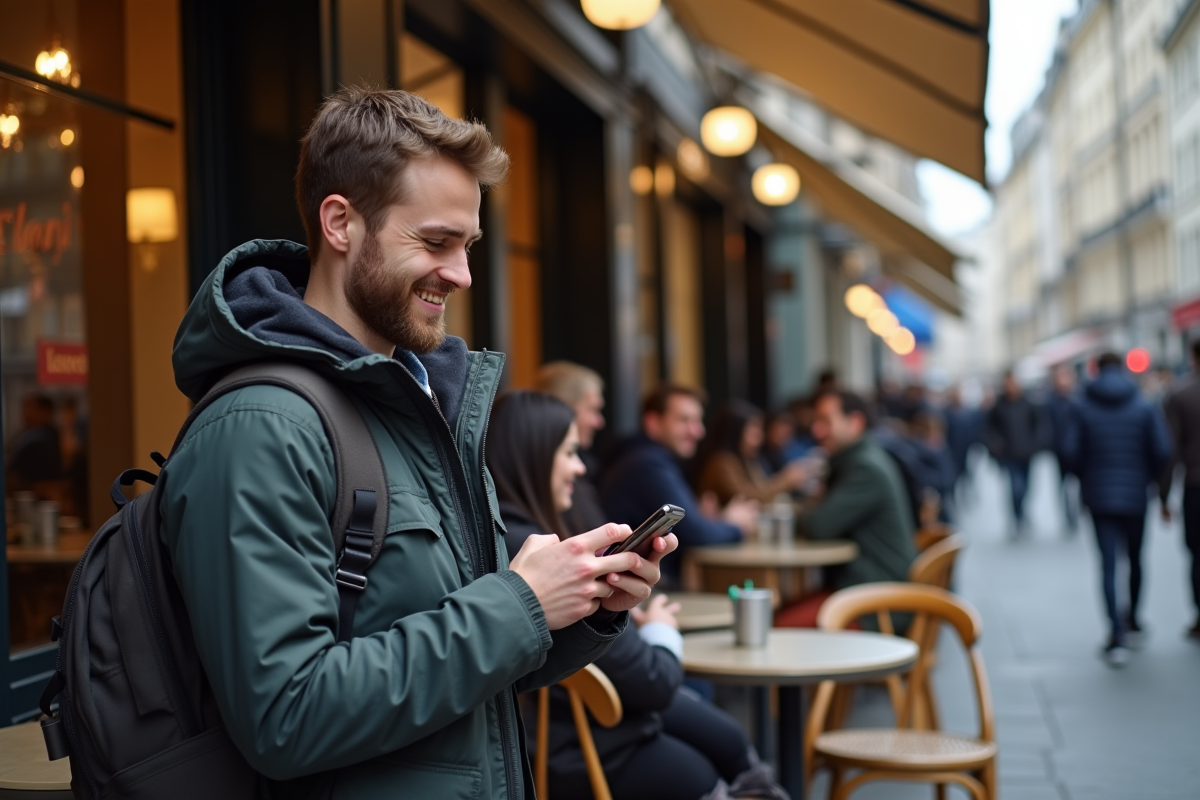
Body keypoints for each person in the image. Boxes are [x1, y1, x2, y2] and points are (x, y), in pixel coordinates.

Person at [157, 87, 675, 799]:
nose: (461, 275)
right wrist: (519, 603)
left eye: (468, 246)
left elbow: (479, 660)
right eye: (435, 242)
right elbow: (285, 716)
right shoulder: (259, 427)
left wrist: (587, 604)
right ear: (340, 222)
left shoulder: (424, 403)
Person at [488, 391, 782, 800]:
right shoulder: (538, 550)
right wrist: (659, 631)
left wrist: (608, 616)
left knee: (722, 739)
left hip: (570, 735)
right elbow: (653, 681)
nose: (581, 466)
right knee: (719, 753)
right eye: (570, 452)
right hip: (578, 746)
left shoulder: (505, 535)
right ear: (533, 456)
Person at [1062, 352, 1171, 667]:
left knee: (1108, 564)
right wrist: (1147, 478)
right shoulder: (1143, 405)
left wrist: (1087, 476)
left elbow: (1069, 452)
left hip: (1099, 496)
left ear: (1095, 369)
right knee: (1136, 559)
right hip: (1136, 494)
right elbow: (1162, 450)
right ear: (1122, 368)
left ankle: (1115, 633)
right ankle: (1133, 618)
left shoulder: (1082, 406)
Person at [775, 390, 917, 628]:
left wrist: (799, 509)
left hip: (878, 603)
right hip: (868, 589)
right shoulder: (859, 459)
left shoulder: (865, 468)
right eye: (816, 421)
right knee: (777, 612)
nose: (816, 430)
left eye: (826, 422)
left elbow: (818, 525)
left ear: (855, 423)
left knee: (779, 626)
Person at [600, 385, 758, 585]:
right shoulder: (648, 464)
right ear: (653, 423)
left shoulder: (646, 458)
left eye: (698, 421)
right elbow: (695, 534)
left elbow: (690, 527)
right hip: (637, 594)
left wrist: (708, 521)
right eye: (684, 420)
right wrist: (734, 525)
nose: (698, 431)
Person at [535, 360, 608, 532]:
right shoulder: (549, 482)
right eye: (592, 410)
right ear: (563, 408)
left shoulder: (583, 473)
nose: (599, 422)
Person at [1160, 339, 1200, 640]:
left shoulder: (1179, 395)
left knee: (1197, 553)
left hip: (1195, 485)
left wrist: (1163, 496)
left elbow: (1170, 450)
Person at [694, 400, 806, 504]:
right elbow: (749, 497)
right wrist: (785, 480)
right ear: (736, 433)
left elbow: (762, 488)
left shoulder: (746, 457)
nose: (760, 438)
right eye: (753, 434)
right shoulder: (721, 461)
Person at [986, 371, 1048, 535]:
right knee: (1015, 487)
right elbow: (989, 428)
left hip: (1027, 454)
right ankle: (1017, 517)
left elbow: (1039, 425)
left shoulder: (1029, 404)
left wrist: (1037, 443)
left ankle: (1022, 511)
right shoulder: (998, 406)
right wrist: (995, 444)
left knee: (1027, 487)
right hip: (1008, 454)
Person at [1046, 365, 1081, 533]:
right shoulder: (1051, 401)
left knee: (1076, 484)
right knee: (1063, 484)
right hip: (1059, 451)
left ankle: (1074, 512)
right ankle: (1068, 513)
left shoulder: (1078, 398)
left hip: (1078, 451)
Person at [8, 394, 62, 490]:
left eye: (31, 409)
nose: (25, 413)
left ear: (46, 412)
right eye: (24, 407)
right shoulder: (28, 435)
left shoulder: (41, 440)